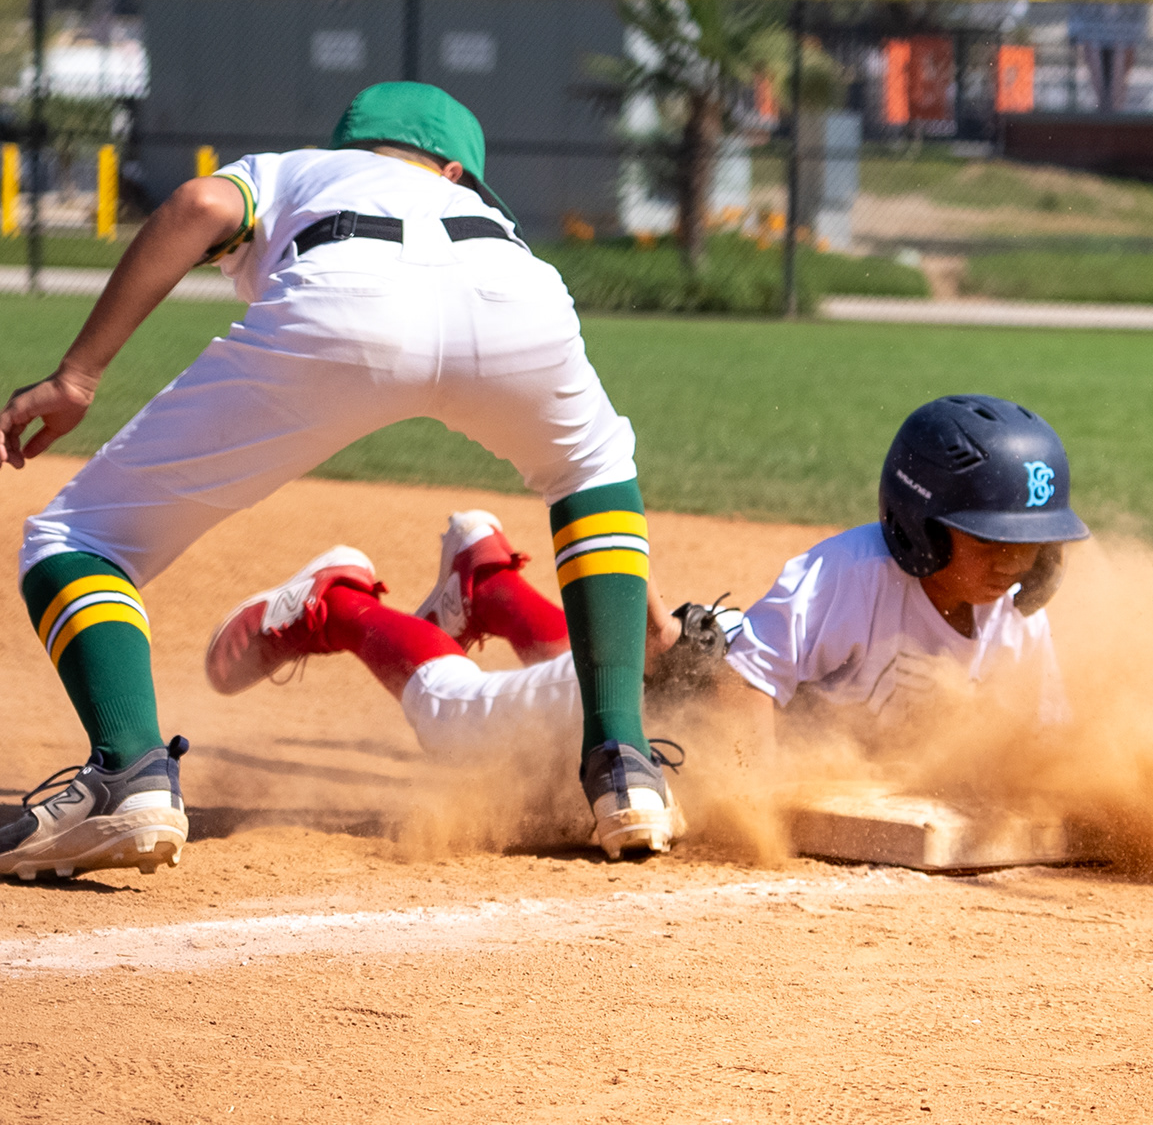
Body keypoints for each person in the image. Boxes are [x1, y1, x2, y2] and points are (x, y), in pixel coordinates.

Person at [0, 82, 671, 881]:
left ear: (352, 145)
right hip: (515, 294)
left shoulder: (299, 169)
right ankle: (624, 761)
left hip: (343, 296)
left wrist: (76, 376)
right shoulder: (472, 204)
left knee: (77, 538)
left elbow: (198, 204)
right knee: (593, 473)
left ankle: (129, 772)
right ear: (454, 170)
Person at [202, 395, 1091, 770]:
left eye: (1031, 543)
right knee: (453, 723)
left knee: (593, 652)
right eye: (993, 540)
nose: (1015, 562)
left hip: (672, 675)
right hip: (655, 700)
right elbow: (740, 703)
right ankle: (339, 606)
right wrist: (762, 812)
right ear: (920, 524)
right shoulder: (847, 576)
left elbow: (1040, 740)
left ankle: (492, 590)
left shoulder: (1013, 613)